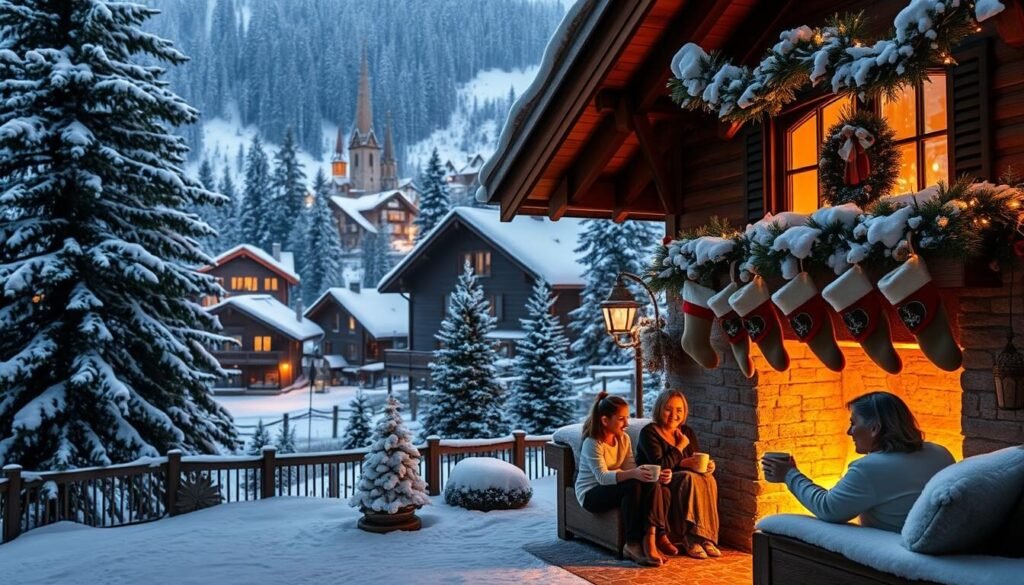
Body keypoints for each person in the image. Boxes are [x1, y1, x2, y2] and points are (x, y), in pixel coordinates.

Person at [761, 391, 954, 532]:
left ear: (874, 429)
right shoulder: (941, 453)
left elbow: (828, 508)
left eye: (854, 423)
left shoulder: (869, 469)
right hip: (941, 541)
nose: (849, 431)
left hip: (891, 548)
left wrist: (789, 475)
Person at [575, 392, 671, 566]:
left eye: (627, 417)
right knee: (633, 485)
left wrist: (652, 475)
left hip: (615, 488)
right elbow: (603, 477)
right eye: (621, 419)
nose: (627, 423)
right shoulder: (593, 443)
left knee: (650, 483)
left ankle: (651, 540)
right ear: (605, 421)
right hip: (590, 493)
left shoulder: (624, 439)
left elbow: (629, 468)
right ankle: (632, 544)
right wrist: (634, 474)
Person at [636, 389, 721, 559]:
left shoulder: (687, 431)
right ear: (660, 409)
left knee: (708, 478)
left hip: (685, 480)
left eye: (679, 410)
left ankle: (706, 538)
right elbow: (660, 465)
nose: (674, 414)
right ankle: (690, 539)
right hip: (661, 482)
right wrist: (680, 448)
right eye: (668, 409)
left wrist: (708, 466)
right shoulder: (649, 432)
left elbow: (695, 460)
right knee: (689, 478)